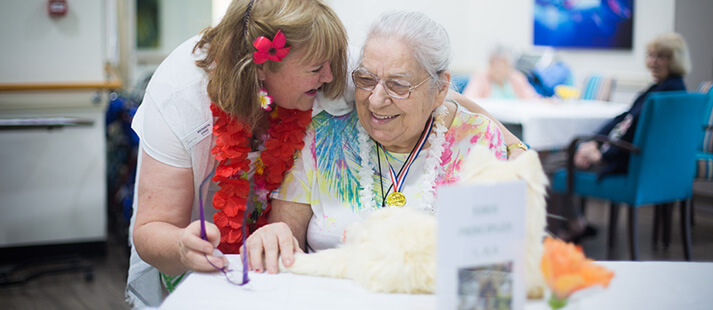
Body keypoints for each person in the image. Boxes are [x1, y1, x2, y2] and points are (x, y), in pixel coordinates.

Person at [126, 1, 525, 307]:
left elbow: (425, 86)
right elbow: (154, 226)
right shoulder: (182, 98)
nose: (336, 80)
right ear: (264, 69)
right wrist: (186, 246)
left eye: (396, 84)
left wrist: (514, 146)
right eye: (363, 80)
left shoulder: (335, 62)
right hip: (205, 257)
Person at [244, 11, 508, 274]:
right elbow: (283, 242)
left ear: (440, 89)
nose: (375, 100)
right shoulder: (324, 136)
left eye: (398, 85)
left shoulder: (477, 142)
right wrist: (273, 237)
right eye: (366, 80)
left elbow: (493, 269)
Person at [546, 32, 691, 242]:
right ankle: (575, 222)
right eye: (650, 55)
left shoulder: (662, 95)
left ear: (675, 59)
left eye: (661, 56)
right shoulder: (671, 91)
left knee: (549, 166)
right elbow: (622, 119)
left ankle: (570, 225)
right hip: (626, 156)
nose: (652, 62)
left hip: (623, 161)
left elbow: (637, 139)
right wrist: (594, 142)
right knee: (567, 157)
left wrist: (601, 154)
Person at [462, 45, 539, 99]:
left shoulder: (517, 78)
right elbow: (470, 98)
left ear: (509, 65)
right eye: (493, 63)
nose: (497, 68)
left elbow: (532, 99)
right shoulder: (481, 78)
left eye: (501, 63)